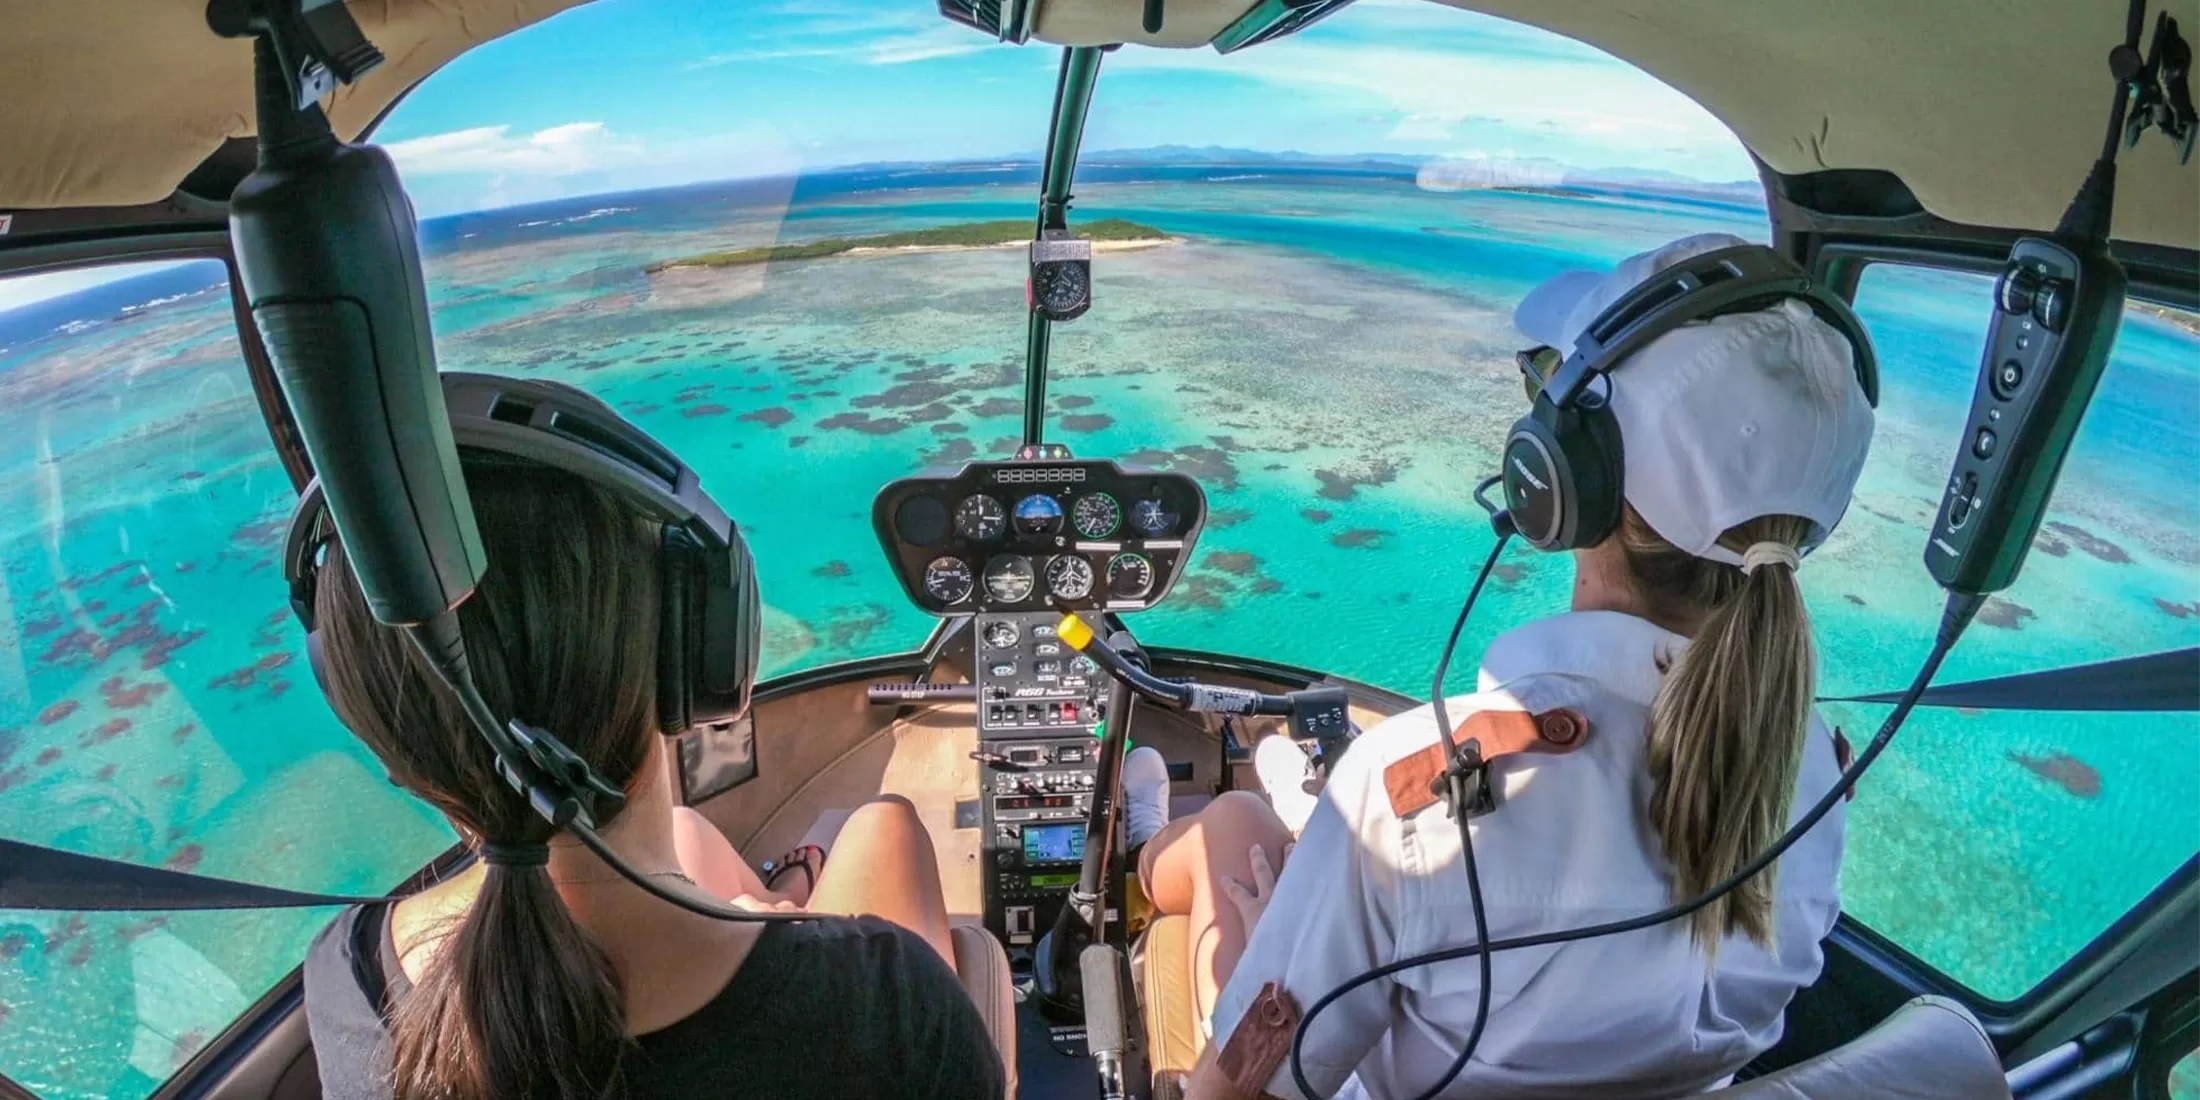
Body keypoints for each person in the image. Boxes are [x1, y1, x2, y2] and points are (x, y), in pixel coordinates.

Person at [1134, 232, 1874, 1099]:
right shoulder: (1812, 771)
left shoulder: (1406, 790)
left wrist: (1275, 953)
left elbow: (1244, 1095)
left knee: (1231, 831)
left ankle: (1149, 840)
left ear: (1560, 479)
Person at [297, 405, 1005, 1100]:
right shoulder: (893, 1011)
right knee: (886, 823)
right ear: (696, 661)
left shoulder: (348, 972)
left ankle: (774, 899)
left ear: (380, 728)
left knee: (691, 837)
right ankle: (773, 907)